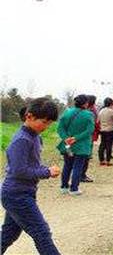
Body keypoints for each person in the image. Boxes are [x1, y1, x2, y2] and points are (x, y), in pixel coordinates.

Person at [1, 98, 61, 255]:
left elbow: (32, 165)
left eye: (49, 123)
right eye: (44, 122)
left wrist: (46, 169)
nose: (46, 127)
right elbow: (19, 170)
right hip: (16, 194)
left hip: (23, 192)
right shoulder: (22, 139)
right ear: (29, 116)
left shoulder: (35, 136)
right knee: (41, 232)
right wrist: (46, 172)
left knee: (8, 235)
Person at [57, 95, 95, 195]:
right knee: (78, 167)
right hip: (81, 145)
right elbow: (90, 130)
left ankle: (64, 187)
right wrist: (76, 138)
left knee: (67, 165)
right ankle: (74, 189)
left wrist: (66, 138)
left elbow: (60, 128)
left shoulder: (67, 112)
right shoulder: (89, 115)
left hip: (68, 145)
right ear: (85, 103)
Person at [80, 94, 98, 183]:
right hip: (88, 136)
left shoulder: (80, 111)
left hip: (79, 135)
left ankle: (79, 173)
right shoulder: (92, 112)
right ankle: (82, 175)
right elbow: (93, 124)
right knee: (86, 155)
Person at [98, 97, 113, 166]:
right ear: (111, 103)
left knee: (102, 144)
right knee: (109, 145)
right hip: (110, 130)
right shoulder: (111, 111)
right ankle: (108, 161)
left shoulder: (101, 111)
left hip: (102, 130)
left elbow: (98, 121)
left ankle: (101, 160)